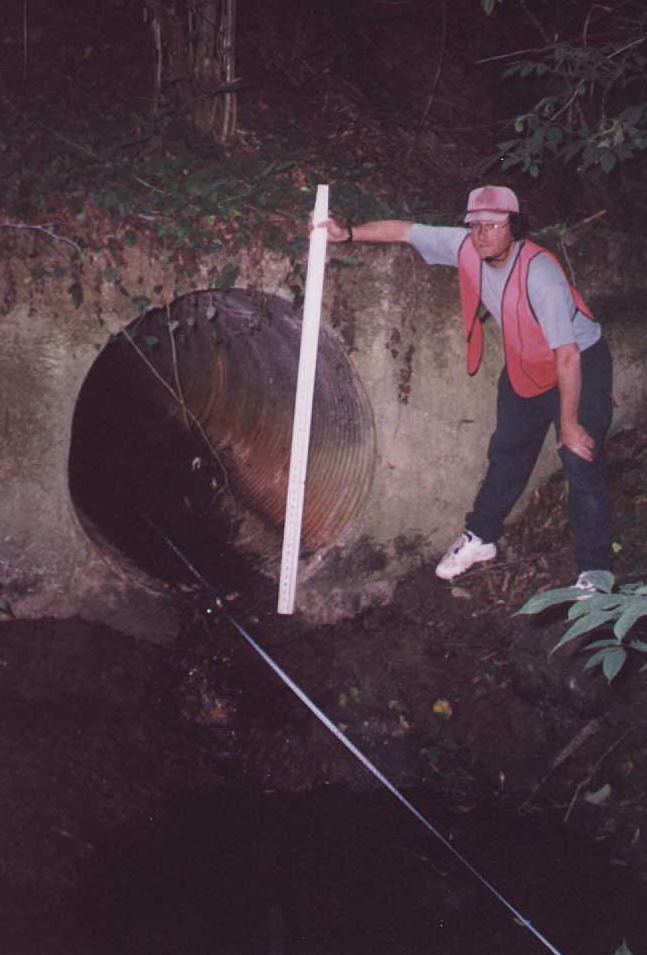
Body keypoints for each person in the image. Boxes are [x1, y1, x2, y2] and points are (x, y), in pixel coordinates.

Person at [318, 185, 613, 589]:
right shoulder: (466, 246)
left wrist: (569, 423)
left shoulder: (540, 274)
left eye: (493, 226)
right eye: (475, 225)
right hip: (527, 363)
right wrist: (347, 234)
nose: (482, 235)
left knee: (579, 458)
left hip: (580, 362)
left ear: (514, 226)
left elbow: (567, 355)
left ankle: (595, 571)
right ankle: (481, 538)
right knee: (507, 452)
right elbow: (405, 231)